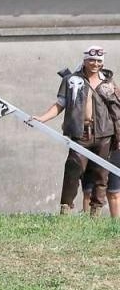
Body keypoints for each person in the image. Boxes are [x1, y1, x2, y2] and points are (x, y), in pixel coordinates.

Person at [31, 46, 120, 216]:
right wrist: (42, 118)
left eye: (99, 61)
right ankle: (66, 209)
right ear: (85, 60)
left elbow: (117, 111)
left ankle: (96, 213)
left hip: (104, 134)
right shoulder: (71, 80)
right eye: (91, 60)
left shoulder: (108, 83)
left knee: (102, 175)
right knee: (73, 169)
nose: (95, 64)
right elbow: (60, 104)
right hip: (80, 133)